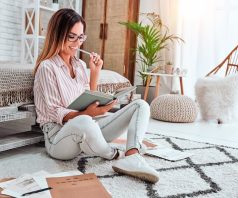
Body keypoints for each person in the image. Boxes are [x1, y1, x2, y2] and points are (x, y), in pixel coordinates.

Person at [33, 8, 159, 183]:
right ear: (58, 34)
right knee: (84, 121)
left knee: (141, 105)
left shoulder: (78, 65)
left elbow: (87, 98)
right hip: (59, 137)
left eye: (81, 37)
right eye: (72, 37)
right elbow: (56, 112)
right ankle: (115, 155)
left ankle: (132, 155)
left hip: (87, 129)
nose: (78, 43)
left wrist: (95, 73)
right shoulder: (47, 67)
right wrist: (89, 114)